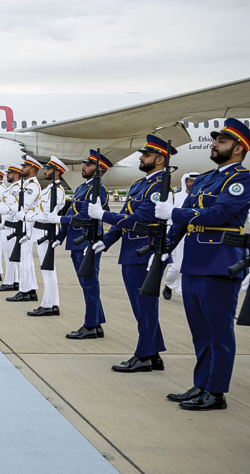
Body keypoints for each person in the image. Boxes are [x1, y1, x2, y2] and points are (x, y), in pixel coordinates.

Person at [156, 118, 250, 411]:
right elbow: (185, 217)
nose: (214, 144)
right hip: (194, 262)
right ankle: (201, 384)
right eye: (215, 140)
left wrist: (173, 213)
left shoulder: (241, 179)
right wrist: (165, 247)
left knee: (219, 332)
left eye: (222, 141)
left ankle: (216, 391)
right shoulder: (206, 178)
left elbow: (219, 214)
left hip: (220, 262)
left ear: (238, 148)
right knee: (200, 331)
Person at [89, 135, 174, 372]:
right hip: (131, 252)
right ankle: (153, 353)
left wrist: (103, 215)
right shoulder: (139, 185)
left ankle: (144, 356)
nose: (141, 158)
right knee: (140, 307)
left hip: (146, 252)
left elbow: (139, 219)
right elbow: (125, 219)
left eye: (146, 155)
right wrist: (106, 241)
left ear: (160, 159)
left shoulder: (159, 187)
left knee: (145, 307)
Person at [57, 150, 111, 339]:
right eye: (84, 164)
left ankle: (90, 326)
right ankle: (96, 324)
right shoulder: (82, 188)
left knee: (89, 284)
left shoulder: (99, 190)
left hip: (87, 241)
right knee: (86, 283)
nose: (83, 167)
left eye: (88, 165)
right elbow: (71, 210)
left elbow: (85, 215)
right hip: (77, 241)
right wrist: (60, 235)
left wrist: (61, 220)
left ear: (99, 169)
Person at [25, 156, 67, 316]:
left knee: (48, 270)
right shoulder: (49, 190)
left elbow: (48, 214)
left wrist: (29, 216)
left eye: (49, 169)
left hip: (46, 232)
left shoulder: (57, 191)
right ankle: (51, 303)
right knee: (46, 269)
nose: (46, 171)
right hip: (41, 231)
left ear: (57, 172)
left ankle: (49, 304)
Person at [6, 157, 42, 302]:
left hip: (26, 224)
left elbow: (24, 205)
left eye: (25, 166)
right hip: (22, 222)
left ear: (32, 169)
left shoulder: (33, 186)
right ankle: (30, 289)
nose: (22, 169)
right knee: (25, 258)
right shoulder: (26, 184)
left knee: (24, 259)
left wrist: (8, 206)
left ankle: (25, 290)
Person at [162, 171, 199, 300]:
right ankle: (169, 284)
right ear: (185, 182)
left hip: (195, 235)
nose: (192, 183)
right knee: (177, 266)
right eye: (190, 181)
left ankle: (187, 291)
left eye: (195, 181)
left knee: (191, 265)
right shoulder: (176, 197)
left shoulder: (200, 197)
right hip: (178, 235)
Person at [0, 164, 22, 292]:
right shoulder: (11, 188)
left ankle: (9, 282)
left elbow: (14, 207)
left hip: (11, 226)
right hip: (6, 225)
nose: (7, 175)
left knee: (9, 256)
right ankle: (14, 280)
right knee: (9, 256)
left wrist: (1, 207)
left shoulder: (17, 188)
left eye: (9, 173)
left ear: (16, 175)